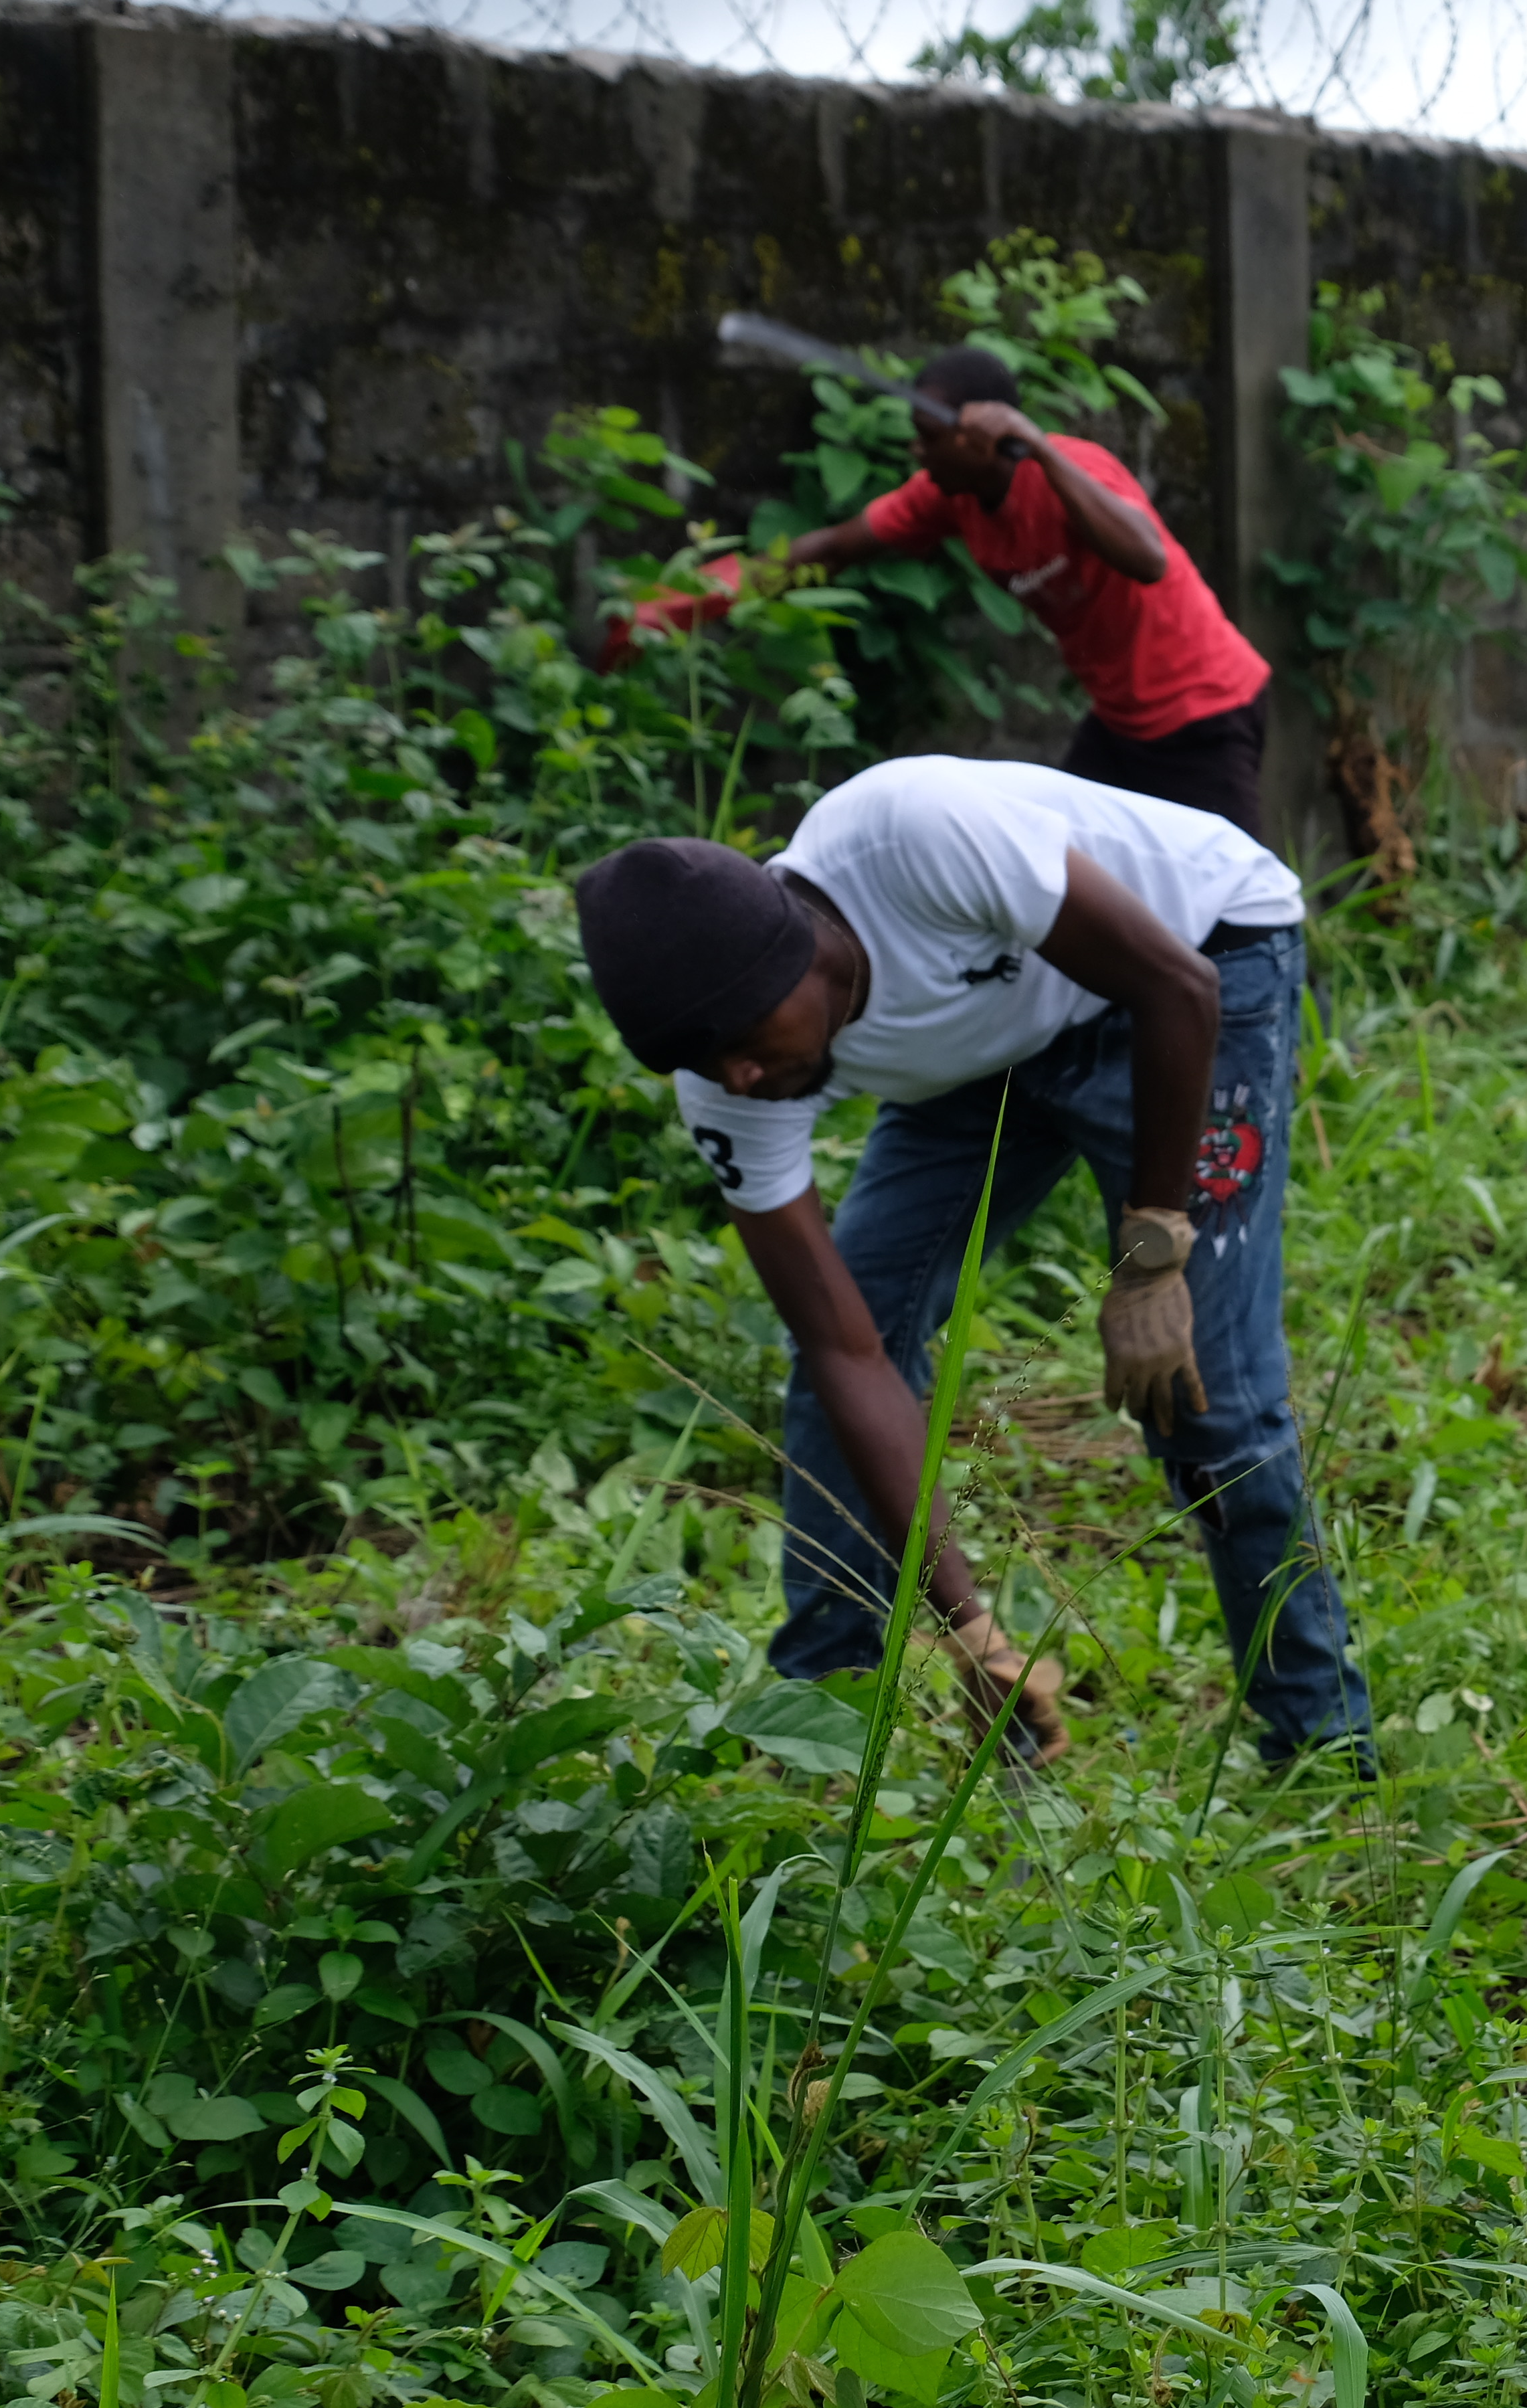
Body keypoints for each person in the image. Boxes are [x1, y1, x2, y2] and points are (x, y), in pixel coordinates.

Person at [569, 755, 1371, 1768]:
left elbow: (1176, 985)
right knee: (841, 1339)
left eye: (743, 1042)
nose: (737, 1076)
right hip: (992, 1047)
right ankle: (820, 1722)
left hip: (1196, 956)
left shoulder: (917, 837)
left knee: (1211, 1390)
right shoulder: (733, 1080)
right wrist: (968, 1621)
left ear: (803, 954)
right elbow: (847, 1349)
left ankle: (1325, 1743)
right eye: (699, 1063)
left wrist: (1150, 1258)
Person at [775, 348, 1278, 838]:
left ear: (980, 439)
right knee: (1067, 872)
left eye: (929, 436)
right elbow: (837, 546)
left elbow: (1149, 559)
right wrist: (716, 588)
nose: (917, 451)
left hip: (1206, 710)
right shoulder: (949, 496)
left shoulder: (1074, 471)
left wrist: (1039, 447)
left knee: (1240, 903)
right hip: (1120, 723)